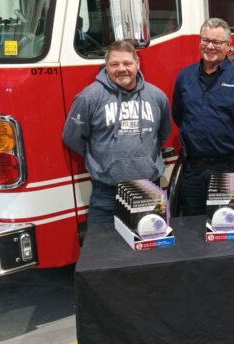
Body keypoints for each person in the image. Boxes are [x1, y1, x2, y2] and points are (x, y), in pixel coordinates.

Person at [62, 40, 172, 226]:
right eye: (114, 64)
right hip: (107, 194)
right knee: (104, 252)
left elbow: (162, 134)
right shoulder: (89, 97)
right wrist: (102, 160)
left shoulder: (157, 96)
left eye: (127, 63)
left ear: (137, 64)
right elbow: (72, 137)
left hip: (148, 189)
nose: (121, 69)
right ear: (106, 66)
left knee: (153, 253)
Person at [172, 18, 234, 216]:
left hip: (229, 169)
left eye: (216, 42)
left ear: (228, 46)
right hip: (194, 171)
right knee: (193, 227)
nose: (210, 46)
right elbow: (179, 116)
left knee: (227, 229)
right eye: (205, 40)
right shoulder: (185, 77)